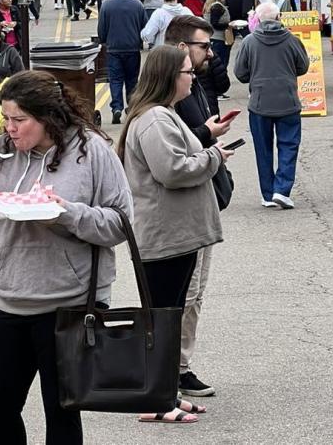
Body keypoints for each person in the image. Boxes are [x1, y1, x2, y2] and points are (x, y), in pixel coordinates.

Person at [0, 70, 132, 445]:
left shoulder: (91, 150)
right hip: (8, 300)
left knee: (62, 411)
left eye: (19, 120)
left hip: (69, 303)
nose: (10, 128)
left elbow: (121, 223)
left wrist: (66, 213)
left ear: (48, 117)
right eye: (5, 119)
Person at [118, 46, 230, 425]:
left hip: (174, 236)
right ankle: (154, 399)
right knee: (162, 319)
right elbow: (172, 170)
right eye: (186, 72)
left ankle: (166, 393)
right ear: (168, 77)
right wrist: (214, 156)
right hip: (164, 237)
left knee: (170, 316)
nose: (192, 76)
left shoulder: (161, 116)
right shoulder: (154, 120)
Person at [164, 16, 234, 398]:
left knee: (196, 294)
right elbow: (174, 161)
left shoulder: (197, 83)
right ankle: (171, 369)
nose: (210, 53)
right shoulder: (163, 105)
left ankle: (180, 365)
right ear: (180, 50)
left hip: (205, 201)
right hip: (182, 215)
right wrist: (209, 140)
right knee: (184, 294)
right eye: (202, 46)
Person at [234, 2, 309, 209]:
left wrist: (256, 76)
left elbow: (240, 73)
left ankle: (268, 194)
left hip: (259, 103)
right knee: (288, 146)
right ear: (279, 18)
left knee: (263, 148)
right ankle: (282, 190)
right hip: (288, 101)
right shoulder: (292, 40)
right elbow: (303, 66)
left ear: (257, 20)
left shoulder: (249, 42)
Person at [97, 0, 146, 123]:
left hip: (114, 49)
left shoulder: (107, 5)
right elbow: (144, 26)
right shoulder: (137, 4)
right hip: (132, 48)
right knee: (132, 80)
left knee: (115, 80)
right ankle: (131, 107)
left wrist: (104, 40)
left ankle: (116, 107)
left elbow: (102, 29)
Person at [204, 0, 232, 67]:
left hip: (214, 38)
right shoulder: (217, 6)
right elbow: (215, 24)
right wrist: (229, 25)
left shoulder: (212, 4)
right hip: (218, 40)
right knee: (220, 64)